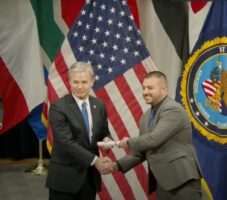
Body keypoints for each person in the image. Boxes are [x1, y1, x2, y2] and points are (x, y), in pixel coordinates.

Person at [114, 71, 202, 199]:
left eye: (150, 88)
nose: (145, 92)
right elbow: (142, 151)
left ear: (163, 90)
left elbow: (153, 139)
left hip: (183, 181)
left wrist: (128, 142)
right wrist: (116, 165)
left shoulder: (173, 109)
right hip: (163, 182)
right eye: (143, 88)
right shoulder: (146, 117)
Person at [45, 62, 114, 200]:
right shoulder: (58, 107)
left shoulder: (99, 105)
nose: (80, 86)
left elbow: (103, 132)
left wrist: (107, 140)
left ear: (92, 82)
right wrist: (96, 160)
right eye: (75, 82)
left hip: (89, 178)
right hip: (64, 179)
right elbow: (66, 142)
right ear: (70, 81)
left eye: (84, 82)